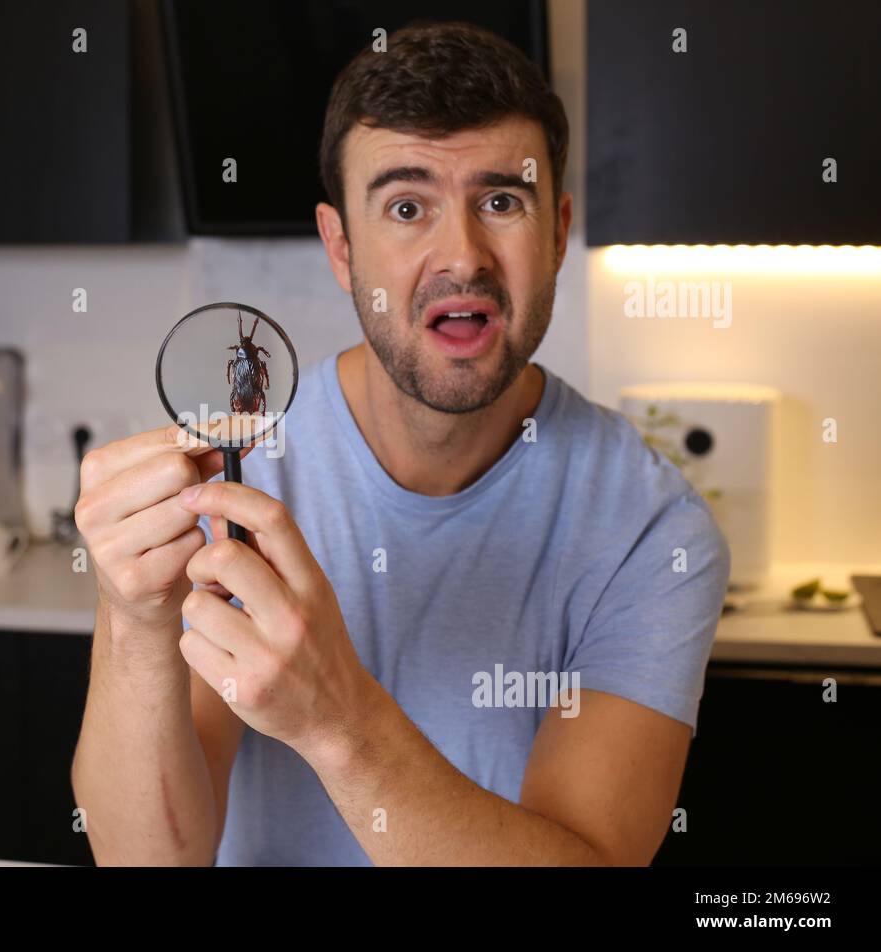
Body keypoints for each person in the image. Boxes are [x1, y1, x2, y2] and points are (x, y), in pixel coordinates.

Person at [70, 21, 729, 866]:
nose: (462, 255)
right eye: (408, 207)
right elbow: (146, 858)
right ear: (341, 248)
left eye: (501, 200)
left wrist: (339, 721)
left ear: (559, 231)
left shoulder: (652, 532)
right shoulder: (231, 470)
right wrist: (131, 622)